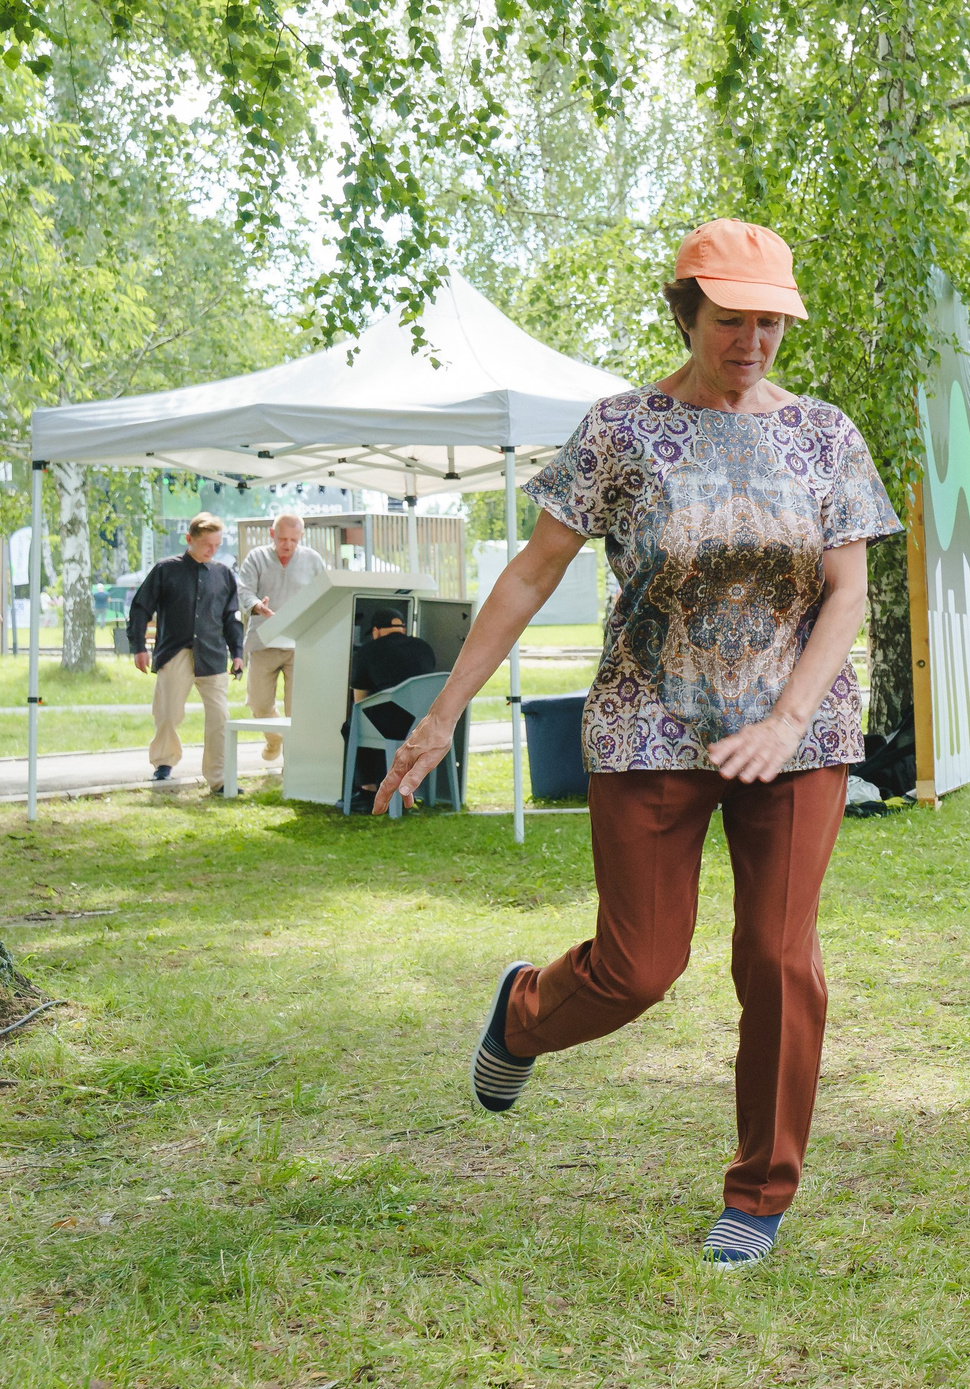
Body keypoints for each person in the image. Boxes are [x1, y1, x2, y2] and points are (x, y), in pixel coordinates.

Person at [375, 218, 902, 1269]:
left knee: (780, 958)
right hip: (648, 717)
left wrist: (792, 713)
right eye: (730, 320)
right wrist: (441, 717)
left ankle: (758, 1196)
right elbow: (529, 574)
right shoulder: (618, 431)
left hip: (797, 730)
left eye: (769, 322)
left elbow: (848, 589)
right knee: (637, 968)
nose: (751, 340)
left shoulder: (825, 435)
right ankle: (522, 1014)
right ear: (685, 313)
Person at [127, 513, 246, 788]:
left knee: (220, 718)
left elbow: (231, 617)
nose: (212, 550)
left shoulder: (224, 575)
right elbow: (141, 607)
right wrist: (138, 647)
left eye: (217, 545)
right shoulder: (165, 570)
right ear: (189, 539)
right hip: (175, 652)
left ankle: (220, 779)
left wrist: (237, 652)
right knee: (167, 713)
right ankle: (164, 762)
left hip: (213, 656)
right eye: (207, 544)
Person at [239, 512, 328, 760]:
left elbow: (324, 595)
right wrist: (258, 605)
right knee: (258, 704)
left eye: (293, 539)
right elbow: (244, 590)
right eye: (282, 539)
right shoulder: (256, 557)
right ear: (271, 535)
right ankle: (275, 738)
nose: (287, 545)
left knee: (296, 709)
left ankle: (293, 765)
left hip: (300, 643)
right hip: (263, 640)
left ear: (301, 537)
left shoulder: (312, 560)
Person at [343, 610, 440, 800]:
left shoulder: (367, 651)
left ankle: (369, 790)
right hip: (425, 722)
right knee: (383, 719)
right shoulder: (424, 647)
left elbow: (360, 701)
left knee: (353, 726)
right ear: (403, 629)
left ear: (376, 631)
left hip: (392, 727)